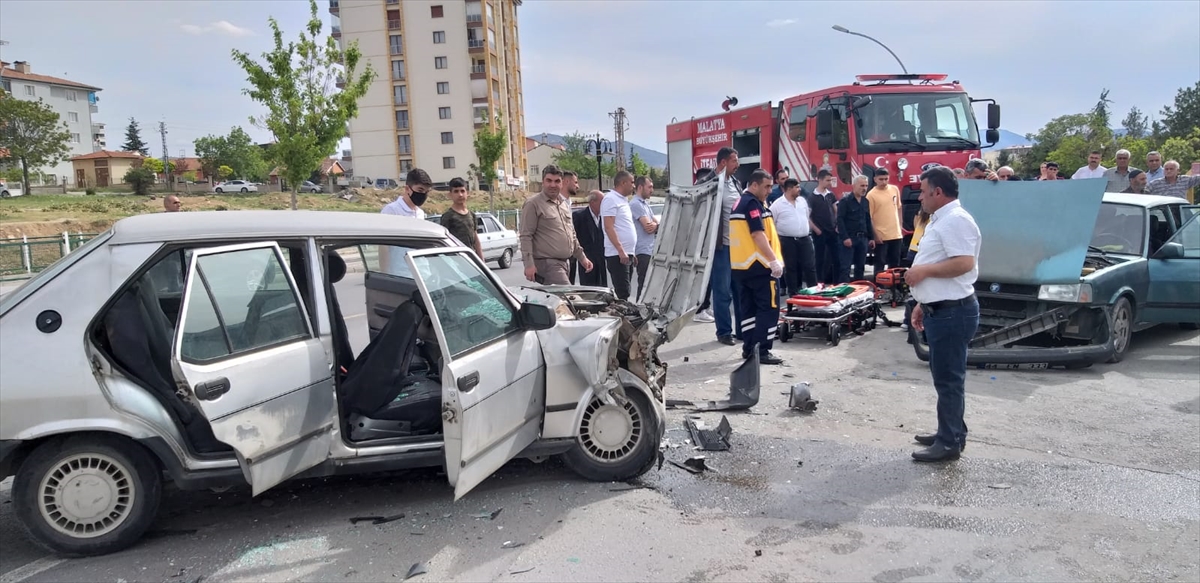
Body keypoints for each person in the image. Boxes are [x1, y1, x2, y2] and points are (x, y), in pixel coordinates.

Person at [905, 166, 982, 463]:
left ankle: (949, 443)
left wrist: (923, 271)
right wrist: (924, 303)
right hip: (942, 309)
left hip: (953, 313)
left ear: (938, 192)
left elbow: (963, 263)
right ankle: (950, 430)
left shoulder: (955, 221)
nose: (920, 197)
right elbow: (944, 261)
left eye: (924, 192)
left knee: (949, 379)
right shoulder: (943, 219)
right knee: (946, 377)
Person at [729, 169, 785, 365]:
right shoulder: (752, 204)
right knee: (769, 308)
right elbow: (757, 234)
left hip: (742, 267)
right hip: (759, 266)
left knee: (749, 310)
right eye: (766, 186)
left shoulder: (741, 202)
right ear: (754, 185)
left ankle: (749, 349)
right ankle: (762, 350)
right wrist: (773, 261)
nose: (770, 190)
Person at [519, 165, 593, 285]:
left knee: (560, 301)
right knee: (570, 298)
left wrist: (582, 258)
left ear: (562, 183)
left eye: (557, 181)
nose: (553, 185)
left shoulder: (563, 204)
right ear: (543, 182)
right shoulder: (533, 204)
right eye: (549, 181)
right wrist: (529, 265)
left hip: (565, 263)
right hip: (548, 264)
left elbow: (571, 235)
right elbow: (525, 235)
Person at [704, 148, 744, 345]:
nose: (737, 165)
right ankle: (724, 332)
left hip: (738, 246)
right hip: (721, 247)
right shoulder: (709, 183)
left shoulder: (736, 182)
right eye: (734, 161)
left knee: (739, 289)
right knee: (722, 291)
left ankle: (742, 330)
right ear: (723, 163)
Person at [769, 178, 817, 296]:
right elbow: (771, 222)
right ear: (789, 189)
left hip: (804, 239)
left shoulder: (802, 201)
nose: (799, 190)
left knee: (809, 266)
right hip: (787, 240)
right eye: (797, 187)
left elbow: (806, 216)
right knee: (791, 268)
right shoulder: (777, 204)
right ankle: (793, 294)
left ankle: (815, 292)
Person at [380, 167, 432, 275]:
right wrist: (385, 275)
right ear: (407, 189)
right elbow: (383, 246)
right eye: (420, 190)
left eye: (426, 192)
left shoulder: (420, 213)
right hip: (402, 273)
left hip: (423, 272)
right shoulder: (392, 210)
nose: (423, 195)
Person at [601, 170, 639, 300]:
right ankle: (621, 318)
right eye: (632, 182)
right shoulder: (610, 199)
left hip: (626, 253)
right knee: (623, 291)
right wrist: (621, 250)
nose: (634, 186)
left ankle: (625, 316)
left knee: (626, 290)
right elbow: (608, 226)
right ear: (623, 183)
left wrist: (631, 252)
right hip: (616, 254)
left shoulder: (623, 200)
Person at [836, 176, 876, 283]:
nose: (864, 188)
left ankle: (859, 292)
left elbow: (867, 219)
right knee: (846, 268)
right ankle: (844, 293)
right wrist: (845, 238)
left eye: (866, 186)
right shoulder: (845, 201)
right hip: (849, 238)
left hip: (862, 239)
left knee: (860, 267)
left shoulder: (865, 201)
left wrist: (871, 238)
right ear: (854, 186)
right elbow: (840, 220)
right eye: (862, 185)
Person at [867, 168, 904, 277]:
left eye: (886, 179)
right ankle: (879, 287)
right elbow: (869, 217)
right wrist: (875, 235)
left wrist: (900, 225)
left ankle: (894, 288)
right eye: (881, 179)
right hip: (881, 236)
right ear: (875, 179)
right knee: (880, 263)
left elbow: (899, 207)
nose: (884, 182)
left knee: (895, 263)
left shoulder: (894, 189)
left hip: (896, 234)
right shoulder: (871, 195)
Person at [438, 177, 484, 260]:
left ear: (467, 193)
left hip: (472, 258)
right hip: (457, 259)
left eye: (462, 191)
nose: (460, 194)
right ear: (450, 194)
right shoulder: (448, 216)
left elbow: (476, 240)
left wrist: (482, 261)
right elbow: (444, 241)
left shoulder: (472, 215)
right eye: (456, 191)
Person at [807, 169, 840, 284]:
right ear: (819, 180)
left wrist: (837, 225)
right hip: (820, 232)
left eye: (830, 180)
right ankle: (819, 282)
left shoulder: (830, 195)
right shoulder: (812, 197)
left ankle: (837, 282)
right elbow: (808, 216)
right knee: (819, 258)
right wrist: (816, 230)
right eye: (827, 180)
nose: (829, 182)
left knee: (836, 258)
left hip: (832, 231)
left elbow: (836, 210)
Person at [629, 175, 659, 298]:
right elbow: (648, 227)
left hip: (650, 249)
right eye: (649, 187)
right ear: (640, 187)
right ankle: (641, 311)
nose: (652, 190)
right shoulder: (636, 204)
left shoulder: (645, 204)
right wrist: (656, 226)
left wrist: (656, 225)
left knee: (650, 284)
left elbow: (655, 222)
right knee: (644, 284)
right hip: (642, 251)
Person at [901, 209, 930, 333]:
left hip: (915, 249)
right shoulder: (931, 215)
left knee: (914, 288)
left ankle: (908, 321)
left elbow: (915, 222)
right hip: (919, 250)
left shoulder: (923, 212)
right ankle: (909, 320)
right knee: (917, 288)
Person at [572, 190, 608, 287]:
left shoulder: (604, 217)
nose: (605, 205)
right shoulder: (579, 216)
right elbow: (573, 237)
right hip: (586, 260)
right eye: (602, 202)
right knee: (588, 289)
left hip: (601, 260)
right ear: (593, 202)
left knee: (602, 288)